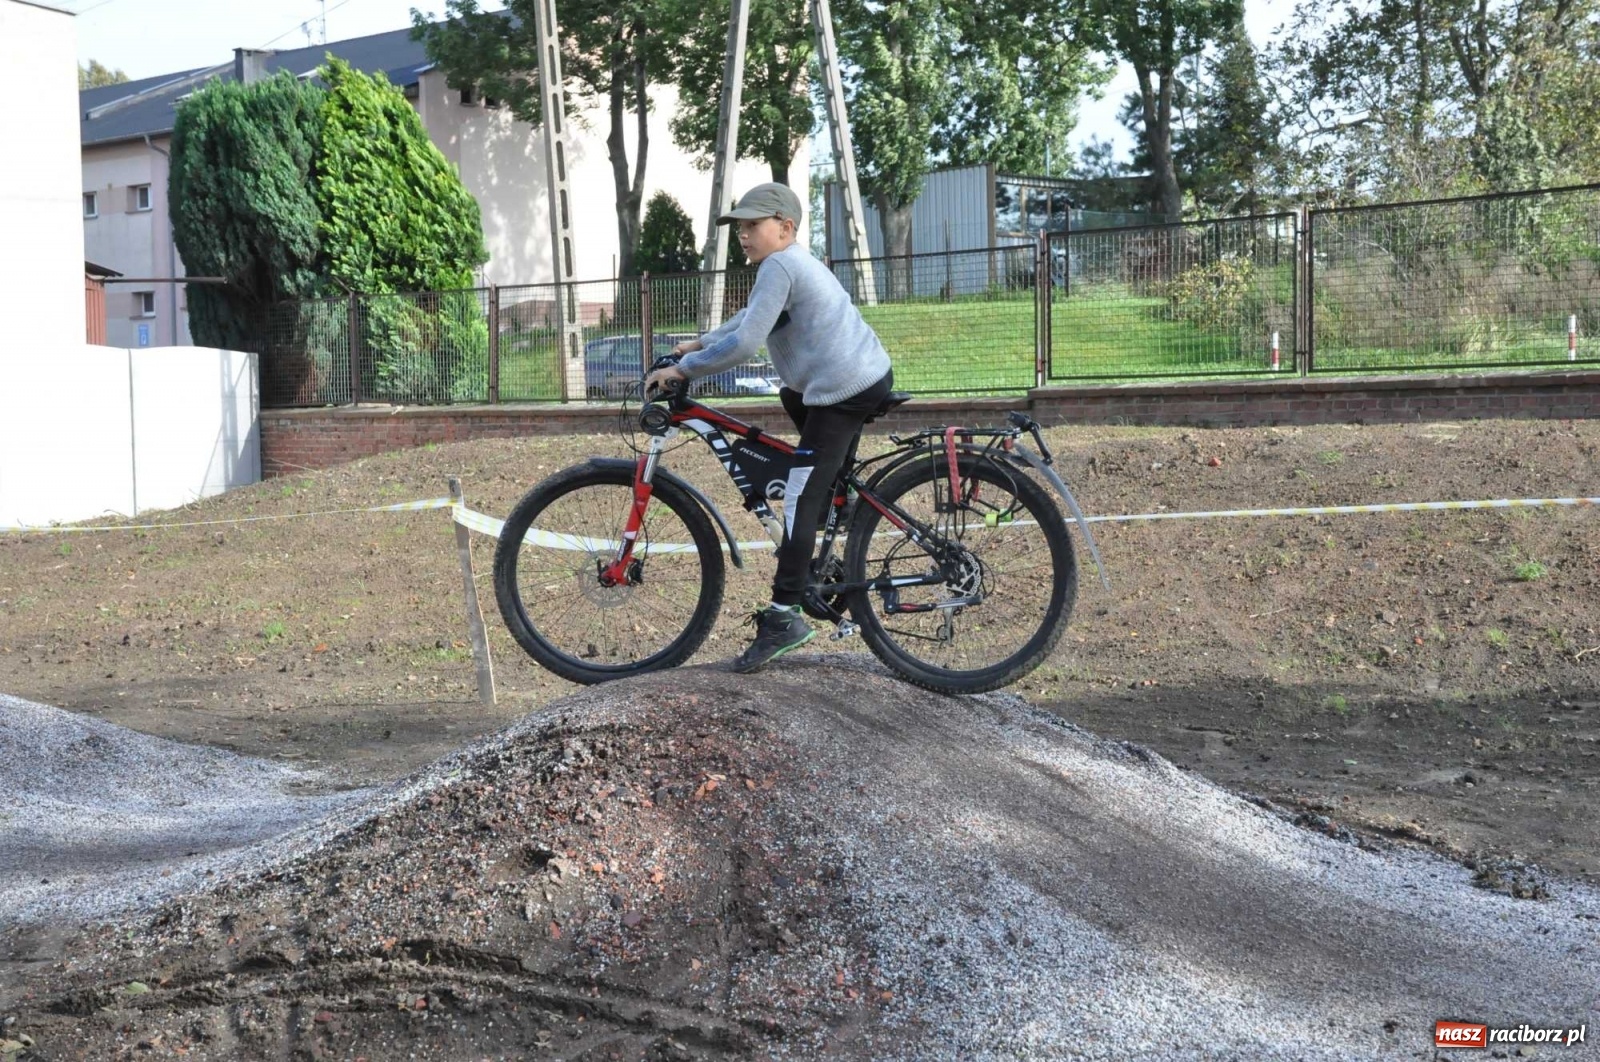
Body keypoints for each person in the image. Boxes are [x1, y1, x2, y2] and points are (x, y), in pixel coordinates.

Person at [645, 182, 893, 674]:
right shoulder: (784, 266)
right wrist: (697, 344)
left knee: (799, 495)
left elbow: (745, 345)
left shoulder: (781, 264)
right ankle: (828, 512)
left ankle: (784, 618)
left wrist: (683, 371)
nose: (743, 234)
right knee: (790, 400)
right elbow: (748, 321)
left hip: (844, 389)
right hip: (847, 381)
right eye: (739, 226)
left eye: (752, 224)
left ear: (785, 227)